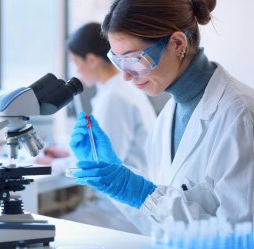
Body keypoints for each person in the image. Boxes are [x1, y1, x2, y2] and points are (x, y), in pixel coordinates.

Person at [70, 0, 254, 235]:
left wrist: (140, 192)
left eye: (134, 59)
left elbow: (241, 236)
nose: (125, 76)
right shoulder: (168, 117)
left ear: (177, 44)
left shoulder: (240, 117)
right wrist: (118, 181)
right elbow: (158, 224)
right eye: (118, 61)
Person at [36, 22, 156, 232]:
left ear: (91, 60)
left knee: (51, 231)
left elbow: (103, 165)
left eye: (76, 62)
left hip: (123, 212)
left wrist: (53, 165)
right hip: (122, 203)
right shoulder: (117, 90)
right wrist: (65, 154)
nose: (77, 71)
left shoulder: (114, 97)